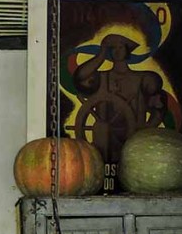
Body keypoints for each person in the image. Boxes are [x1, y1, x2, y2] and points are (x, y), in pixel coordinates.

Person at [71, 32, 166, 165]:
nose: (116, 51)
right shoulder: (101, 78)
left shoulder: (144, 79)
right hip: (103, 147)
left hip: (135, 148)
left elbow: (159, 106)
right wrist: (101, 54)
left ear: (127, 51)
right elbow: (80, 78)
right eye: (113, 48)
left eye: (120, 47)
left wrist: (146, 131)